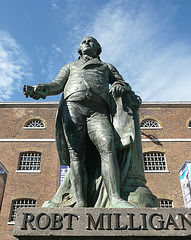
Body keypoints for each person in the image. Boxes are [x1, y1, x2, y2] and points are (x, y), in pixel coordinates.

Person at [27, 37, 158, 208]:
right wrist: (42, 88)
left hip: (98, 110)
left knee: (107, 146)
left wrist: (119, 85)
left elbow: (123, 83)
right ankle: (81, 203)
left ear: (98, 49)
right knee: (76, 156)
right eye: (84, 42)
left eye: (91, 41)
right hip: (72, 107)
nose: (87, 42)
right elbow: (57, 85)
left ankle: (115, 198)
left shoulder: (106, 66)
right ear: (80, 49)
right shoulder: (69, 67)